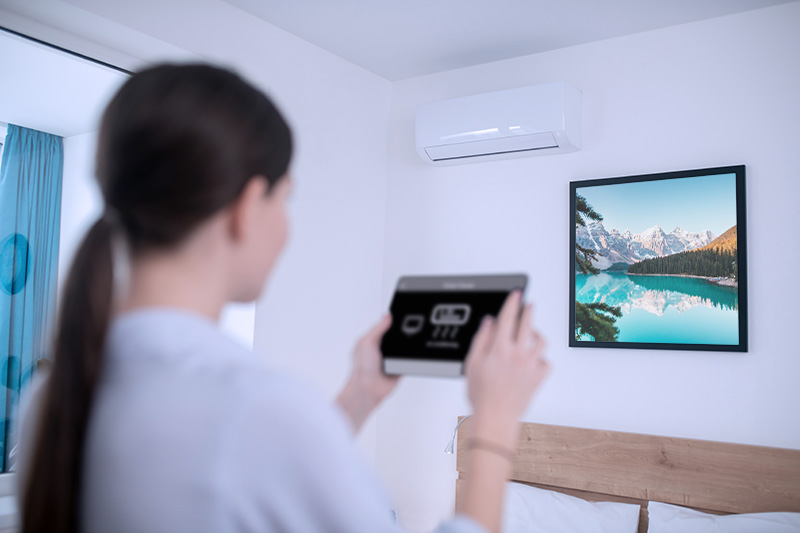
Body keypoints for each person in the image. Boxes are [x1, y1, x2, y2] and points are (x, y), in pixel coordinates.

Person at [17, 64, 550, 533]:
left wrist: (359, 394)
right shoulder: (255, 409)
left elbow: (251, 479)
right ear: (248, 207)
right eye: (286, 198)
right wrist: (495, 424)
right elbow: (253, 447)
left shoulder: (50, 402)